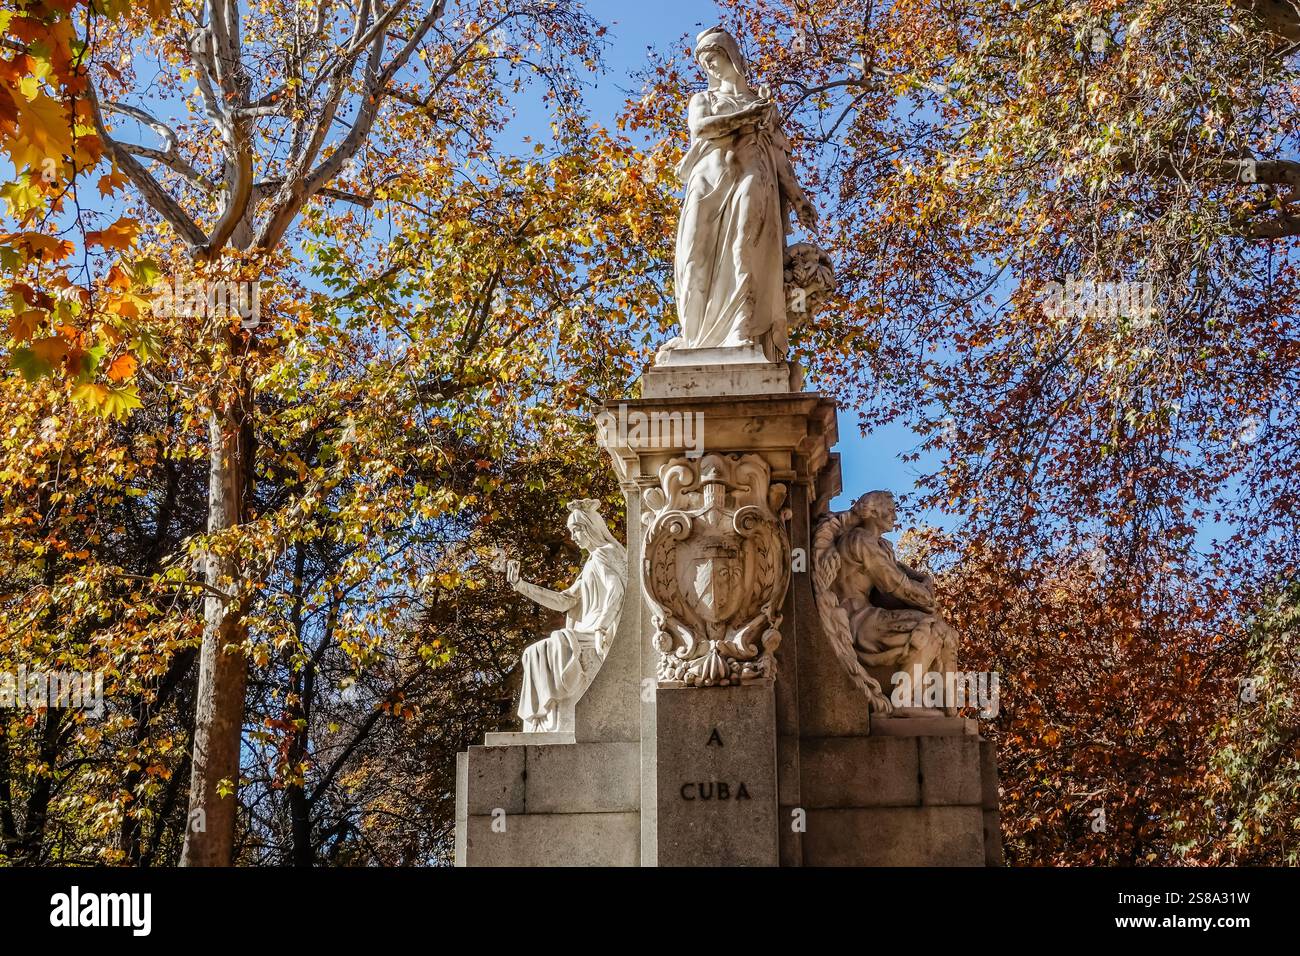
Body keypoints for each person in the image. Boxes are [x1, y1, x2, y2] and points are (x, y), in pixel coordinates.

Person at [663, 26, 818, 363]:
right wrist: (749, 116)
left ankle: (740, 328)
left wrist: (797, 197)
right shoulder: (705, 100)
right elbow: (701, 128)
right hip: (706, 184)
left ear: (731, 55)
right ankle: (695, 336)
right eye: (704, 62)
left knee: (744, 247)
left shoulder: (762, 105)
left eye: (714, 57)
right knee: (692, 257)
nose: (710, 67)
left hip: (752, 174)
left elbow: (779, 155)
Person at [506, 500, 627, 733]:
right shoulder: (592, 561)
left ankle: (552, 722)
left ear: (590, 527)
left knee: (552, 647)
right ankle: (547, 722)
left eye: (575, 530)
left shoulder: (605, 554)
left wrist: (601, 626)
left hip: (597, 630)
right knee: (533, 652)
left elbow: (617, 591)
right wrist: (521, 586)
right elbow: (564, 600)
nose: (572, 537)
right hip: (589, 630)